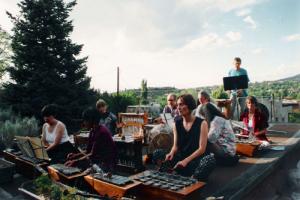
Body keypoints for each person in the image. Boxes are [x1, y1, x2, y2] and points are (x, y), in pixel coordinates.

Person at [162, 94, 216, 181]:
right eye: (178, 105)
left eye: (182, 104)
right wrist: (171, 153)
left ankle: (194, 178)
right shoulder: (176, 124)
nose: (178, 107)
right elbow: (175, 146)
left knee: (210, 160)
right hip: (181, 158)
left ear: (190, 105)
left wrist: (186, 161)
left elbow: (202, 149)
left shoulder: (202, 123)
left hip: (195, 159)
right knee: (159, 153)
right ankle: (176, 173)